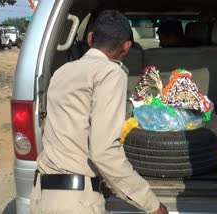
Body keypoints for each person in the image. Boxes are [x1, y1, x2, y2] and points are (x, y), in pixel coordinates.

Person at [31, 10, 168, 214]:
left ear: (90, 38)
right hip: (76, 203)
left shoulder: (62, 72)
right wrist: (152, 204)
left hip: (41, 197)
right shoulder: (110, 73)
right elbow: (104, 152)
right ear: (127, 46)